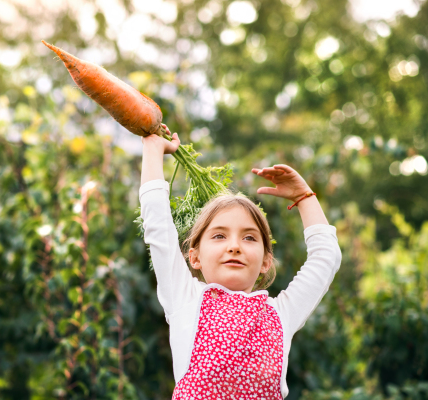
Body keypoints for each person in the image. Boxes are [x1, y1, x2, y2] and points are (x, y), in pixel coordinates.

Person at [139, 125, 342, 399]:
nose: (234, 246)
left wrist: (303, 197)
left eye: (249, 238)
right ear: (195, 256)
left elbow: (326, 258)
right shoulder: (185, 299)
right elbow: (158, 227)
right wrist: (152, 149)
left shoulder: (280, 315)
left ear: (266, 261)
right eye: (220, 235)